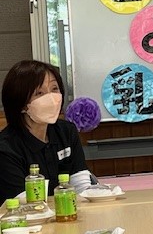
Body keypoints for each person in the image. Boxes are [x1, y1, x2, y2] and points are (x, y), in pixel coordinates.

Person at [0, 60, 93, 203]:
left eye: (54, 89)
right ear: (21, 104)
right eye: (39, 93)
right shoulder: (6, 148)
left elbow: (82, 187)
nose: (51, 98)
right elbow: (21, 203)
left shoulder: (67, 131)